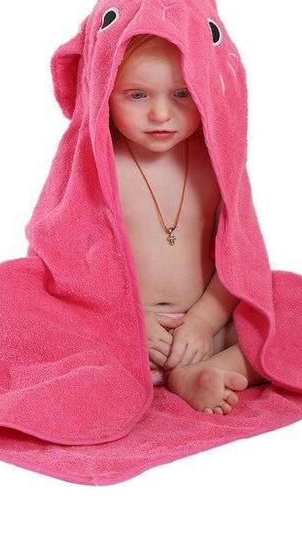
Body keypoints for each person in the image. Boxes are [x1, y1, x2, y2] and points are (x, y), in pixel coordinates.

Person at [108, 33, 267, 415]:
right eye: (137, 95)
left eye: (182, 94)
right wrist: (128, 317)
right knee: (6, 294)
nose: (161, 114)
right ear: (103, 90)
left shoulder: (217, 164)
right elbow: (71, 261)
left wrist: (202, 322)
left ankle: (200, 371)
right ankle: (128, 377)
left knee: (291, 314)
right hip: (122, 331)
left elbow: (239, 258)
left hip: (207, 333)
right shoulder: (98, 164)